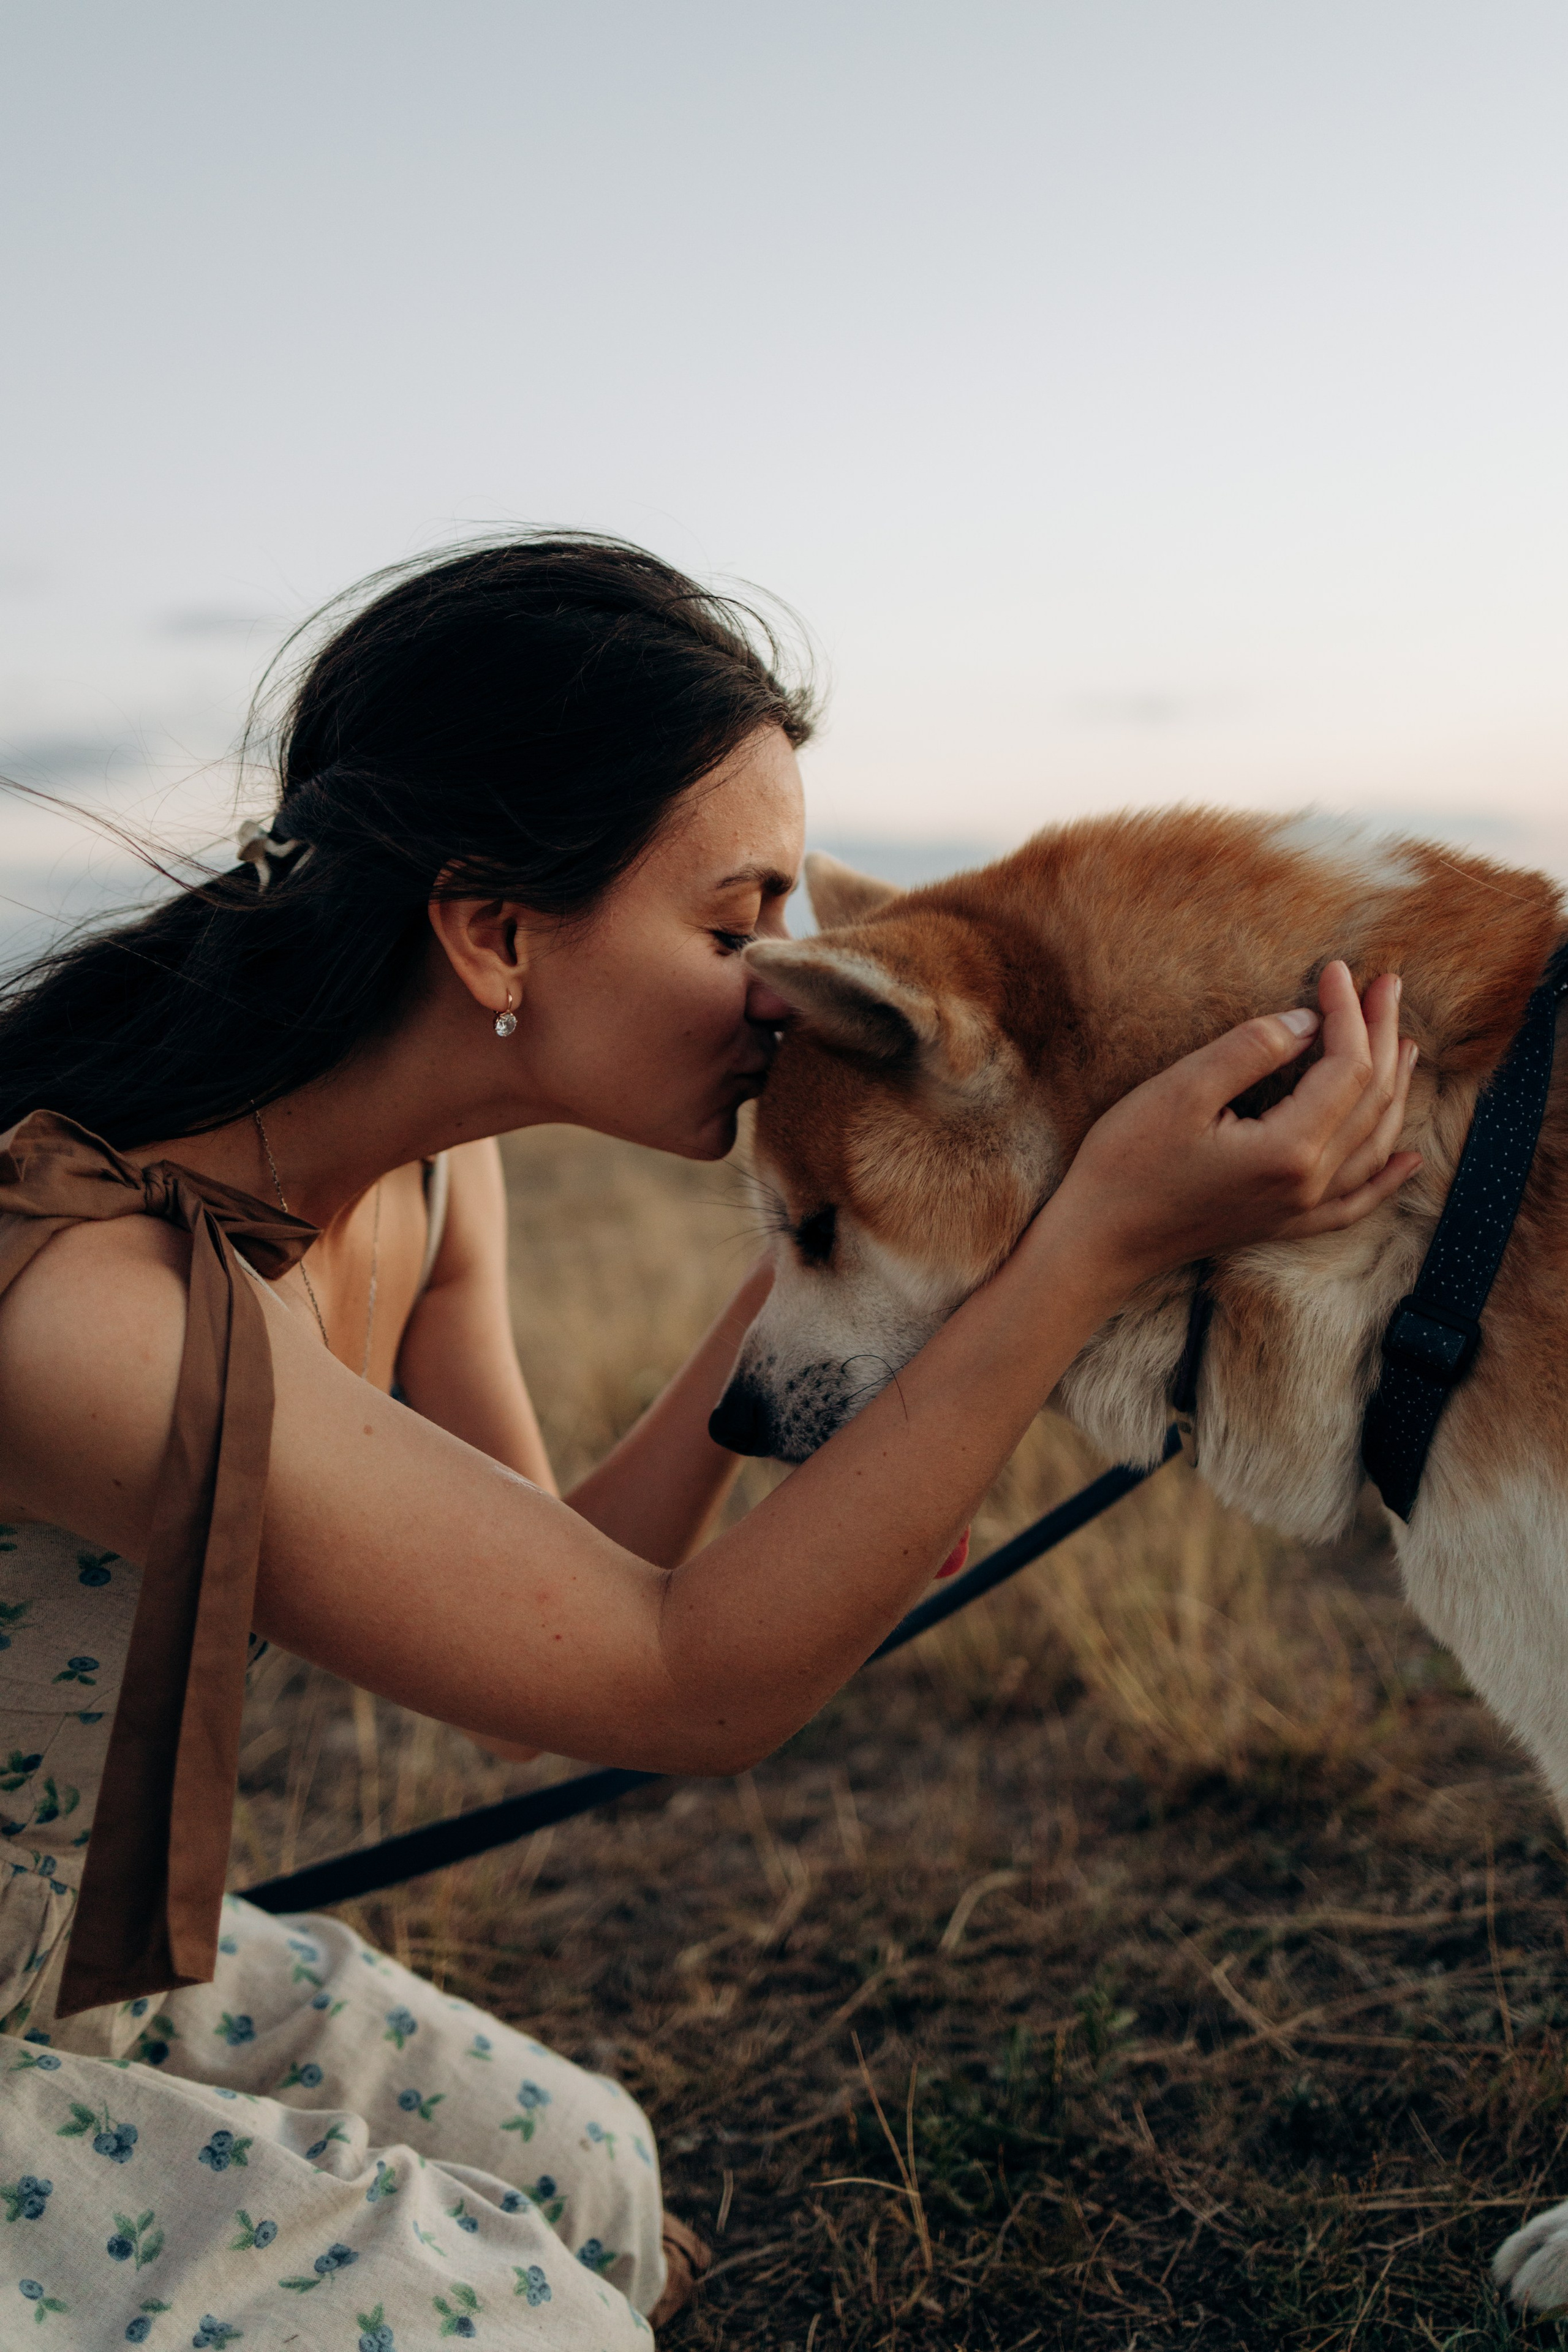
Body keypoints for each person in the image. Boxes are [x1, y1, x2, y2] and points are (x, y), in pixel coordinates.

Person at [0, 535, 1418, 2350]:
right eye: (736, 922)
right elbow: (685, 1684)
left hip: (87, 1962)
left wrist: (896, 1231)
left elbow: (546, 1628)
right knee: (522, 2317)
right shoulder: (101, 1305)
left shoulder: (432, 1188)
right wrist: (1092, 1250)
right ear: (496, 928)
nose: (779, 986)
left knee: (595, 2173)